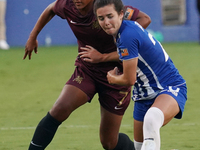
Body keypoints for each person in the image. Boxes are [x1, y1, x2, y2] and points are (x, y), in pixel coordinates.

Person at [23, 0, 151, 150]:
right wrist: (33, 36)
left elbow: (145, 19)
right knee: (59, 109)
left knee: (109, 143)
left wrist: (122, 43)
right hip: (87, 70)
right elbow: (51, 9)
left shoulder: (106, 7)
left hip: (116, 76)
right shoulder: (67, 5)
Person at [94, 0, 187, 150]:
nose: (106, 22)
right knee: (140, 146)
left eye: (110, 16)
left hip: (168, 87)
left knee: (151, 120)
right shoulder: (123, 30)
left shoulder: (126, 35)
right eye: (101, 18)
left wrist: (112, 78)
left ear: (121, 14)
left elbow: (129, 79)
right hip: (142, 95)